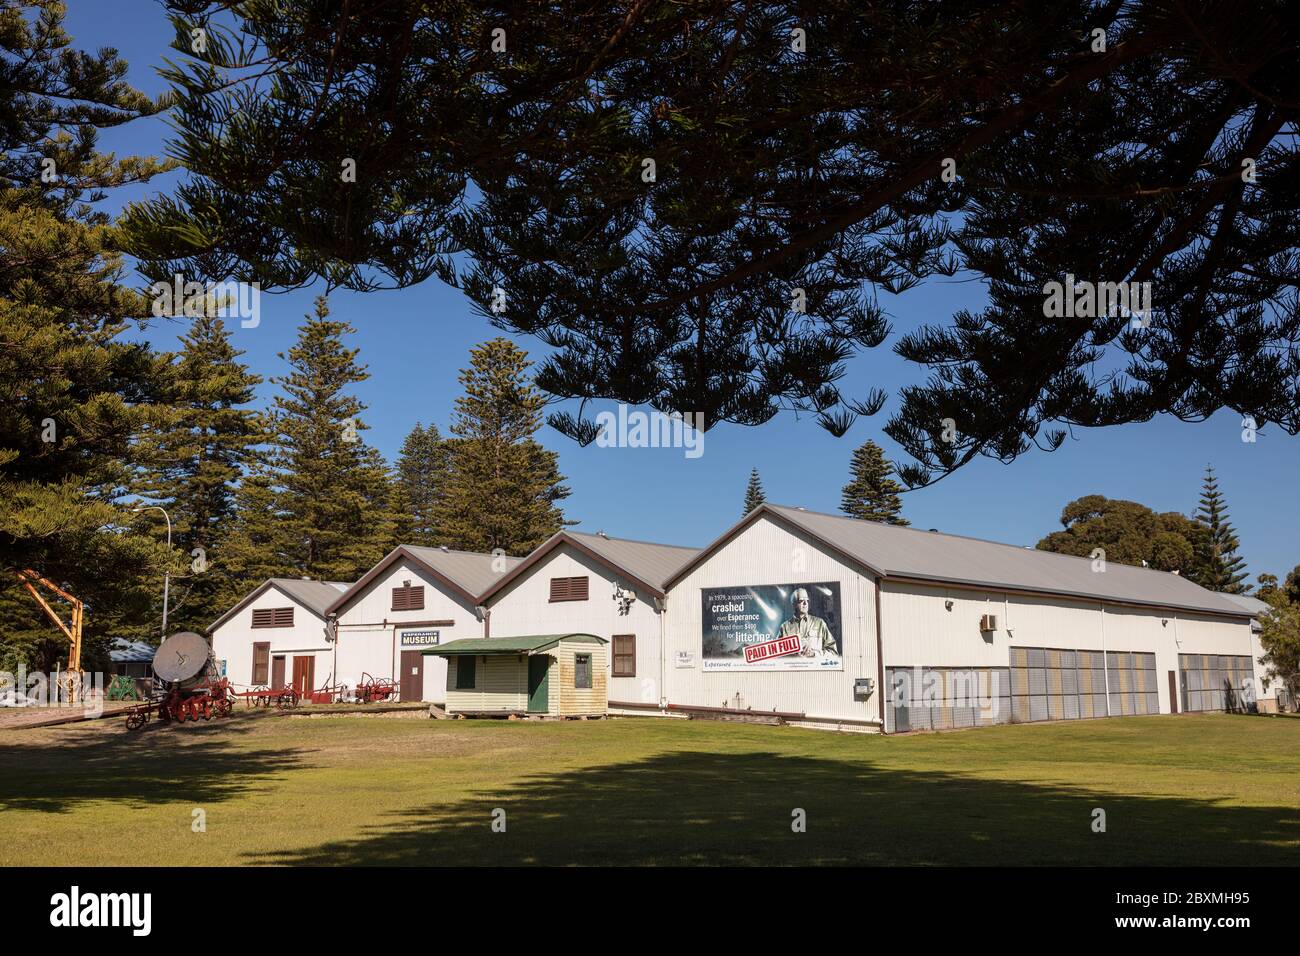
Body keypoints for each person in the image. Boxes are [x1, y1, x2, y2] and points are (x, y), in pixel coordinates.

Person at [776, 588, 839, 661]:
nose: (806, 603)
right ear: (794, 604)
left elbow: (834, 653)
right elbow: (777, 656)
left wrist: (814, 654)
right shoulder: (784, 627)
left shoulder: (820, 623)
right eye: (801, 601)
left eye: (807, 600)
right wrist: (791, 656)